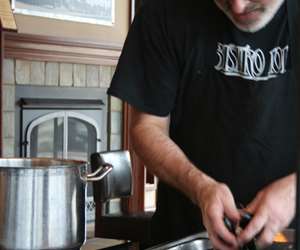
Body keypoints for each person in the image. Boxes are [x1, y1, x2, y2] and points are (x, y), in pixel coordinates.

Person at [107, 0, 298, 249]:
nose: (238, 6)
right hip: (187, 236)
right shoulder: (164, 11)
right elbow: (147, 127)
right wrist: (200, 187)